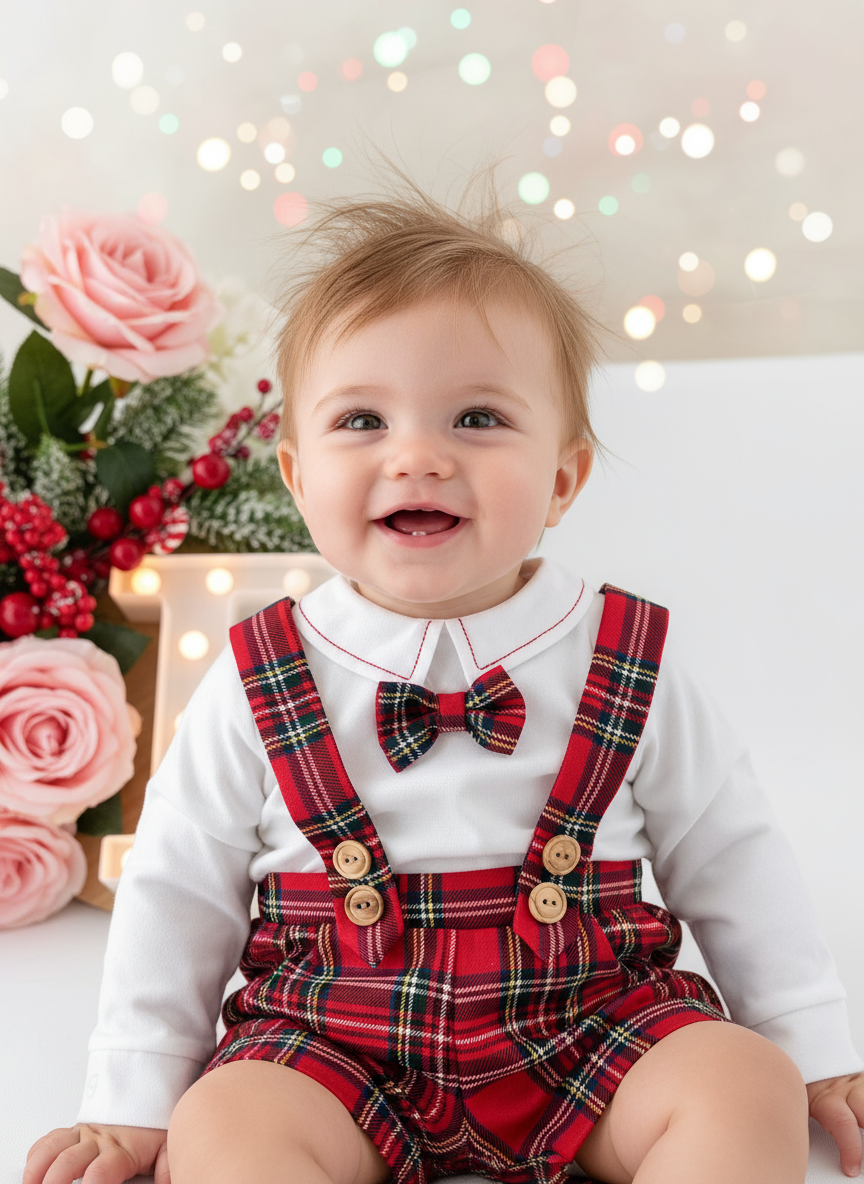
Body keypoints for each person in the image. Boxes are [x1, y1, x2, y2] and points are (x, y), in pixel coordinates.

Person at [25, 179, 864, 1184]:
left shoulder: (624, 651)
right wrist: (133, 1094)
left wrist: (812, 1046)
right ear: (295, 475)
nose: (417, 455)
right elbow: (177, 889)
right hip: (333, 1040)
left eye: (475, 417)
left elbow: (729, 851)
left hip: (591, 1020)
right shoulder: (255, 678)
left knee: (741, 1081)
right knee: (227, 1126)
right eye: (362, 421)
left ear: (562, 477)